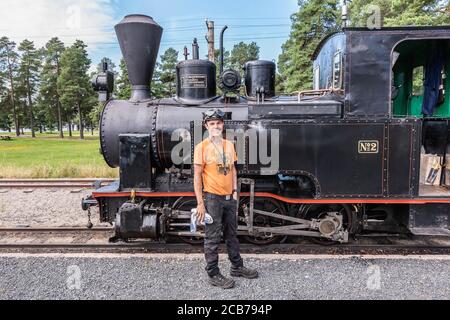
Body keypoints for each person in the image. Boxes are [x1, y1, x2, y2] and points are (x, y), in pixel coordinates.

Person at [194, 108, 258, 289]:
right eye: (212, 123)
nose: (215, 126)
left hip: (230, 198)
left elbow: (233, 170)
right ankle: (213, 273)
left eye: (218, 123)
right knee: (212, 237)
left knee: (232, 235)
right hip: (213, 198)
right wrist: (200, 203)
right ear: (206, 126)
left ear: (223, 125)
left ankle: (237, 267)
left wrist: (236, 192)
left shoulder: (229, 145)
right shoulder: (202, 147)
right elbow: (197, 176)